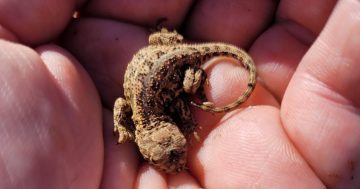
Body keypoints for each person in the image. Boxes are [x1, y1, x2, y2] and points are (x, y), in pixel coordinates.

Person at [0, 0, 359, 188]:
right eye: (170, 159)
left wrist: (191, 100)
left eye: (171, 157)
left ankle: (186, 58)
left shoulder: (147, 111)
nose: (174, 162)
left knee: (188, 87)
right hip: (159, 53)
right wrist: (130, 126)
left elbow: (128, 105)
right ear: (143, 141)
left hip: (173, 58)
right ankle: (169, 41)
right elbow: (122, 106)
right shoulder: (140, 115)